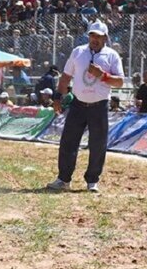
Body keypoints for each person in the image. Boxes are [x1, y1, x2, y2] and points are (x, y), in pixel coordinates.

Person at [47, 21, 124, 193]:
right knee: (68, 142)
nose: (94, 39)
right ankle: (63, 179)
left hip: (100, 106)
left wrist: (102, 75)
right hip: (78, 104)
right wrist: (58, 97)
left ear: (105, 38)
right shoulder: (78, 52)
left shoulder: (112, 56)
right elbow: (66, 77)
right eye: (92, 35)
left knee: (98, 144)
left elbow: (119, 81)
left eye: (98, 36)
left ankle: (92, 181)